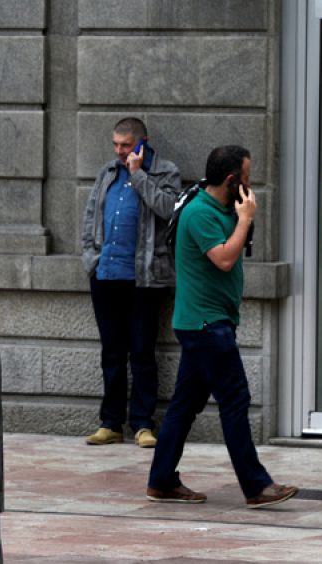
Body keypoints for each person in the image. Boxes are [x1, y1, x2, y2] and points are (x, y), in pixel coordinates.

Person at [146, 145, 298, 508]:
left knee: (185, 405)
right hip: (205, 325)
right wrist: (246, 220)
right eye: (245, 178)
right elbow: (225, 260)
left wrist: (242, 217)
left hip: (210, 322)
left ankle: (162, 480)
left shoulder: (220, 206)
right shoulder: (200, 212)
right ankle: (257, 486)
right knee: (235, 400)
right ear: (231, 180)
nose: (249, 185)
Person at [80, 117, 180, 448]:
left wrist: (138, 175)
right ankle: (111, 423)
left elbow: (169, 209)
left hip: (144, 279)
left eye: (125, 145)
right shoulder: (108, 172)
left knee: (142, 352)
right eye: (116, 145)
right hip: (105, 275)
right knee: (111, 352)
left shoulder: (165, 172)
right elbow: (91, 216)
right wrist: (90, 260)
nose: (119, 151)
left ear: (142, 142)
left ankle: (142, 423)